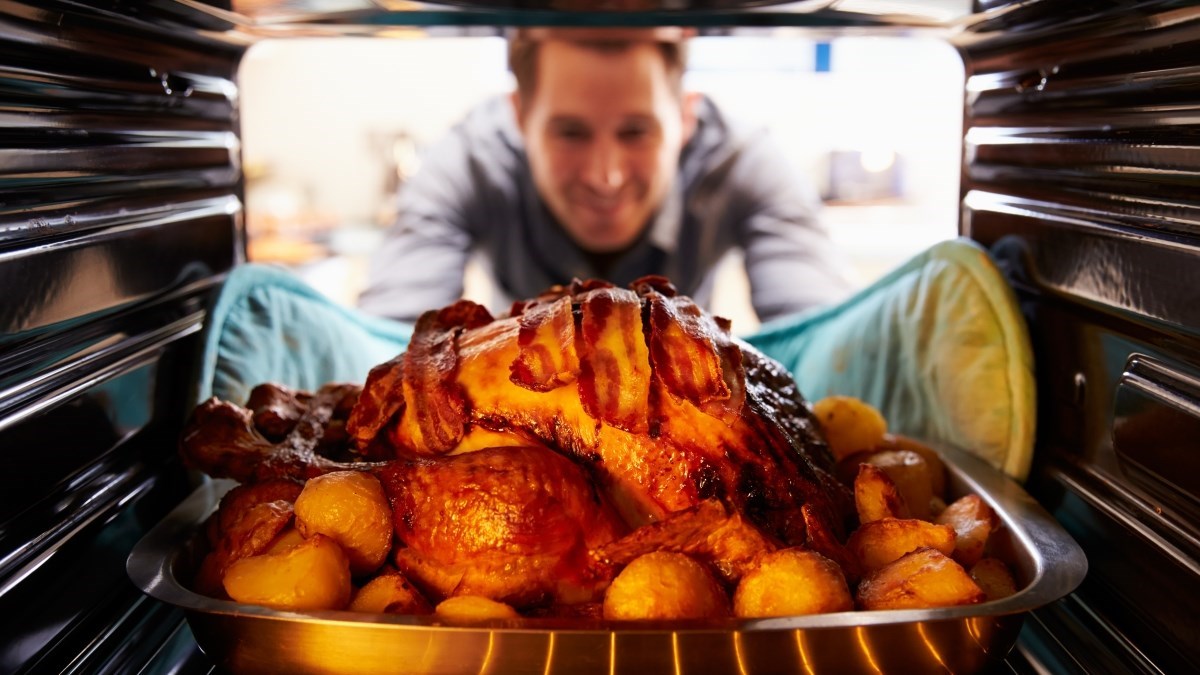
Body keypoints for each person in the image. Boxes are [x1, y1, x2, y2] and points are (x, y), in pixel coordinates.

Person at [358, 27, 855, 324]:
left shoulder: (741, 161)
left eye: (636, 132)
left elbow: (820, 329)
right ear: (519, 118)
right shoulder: (468, 161)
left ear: (685, 118)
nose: (606, 176)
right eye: (570, 133)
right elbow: (393, 334)